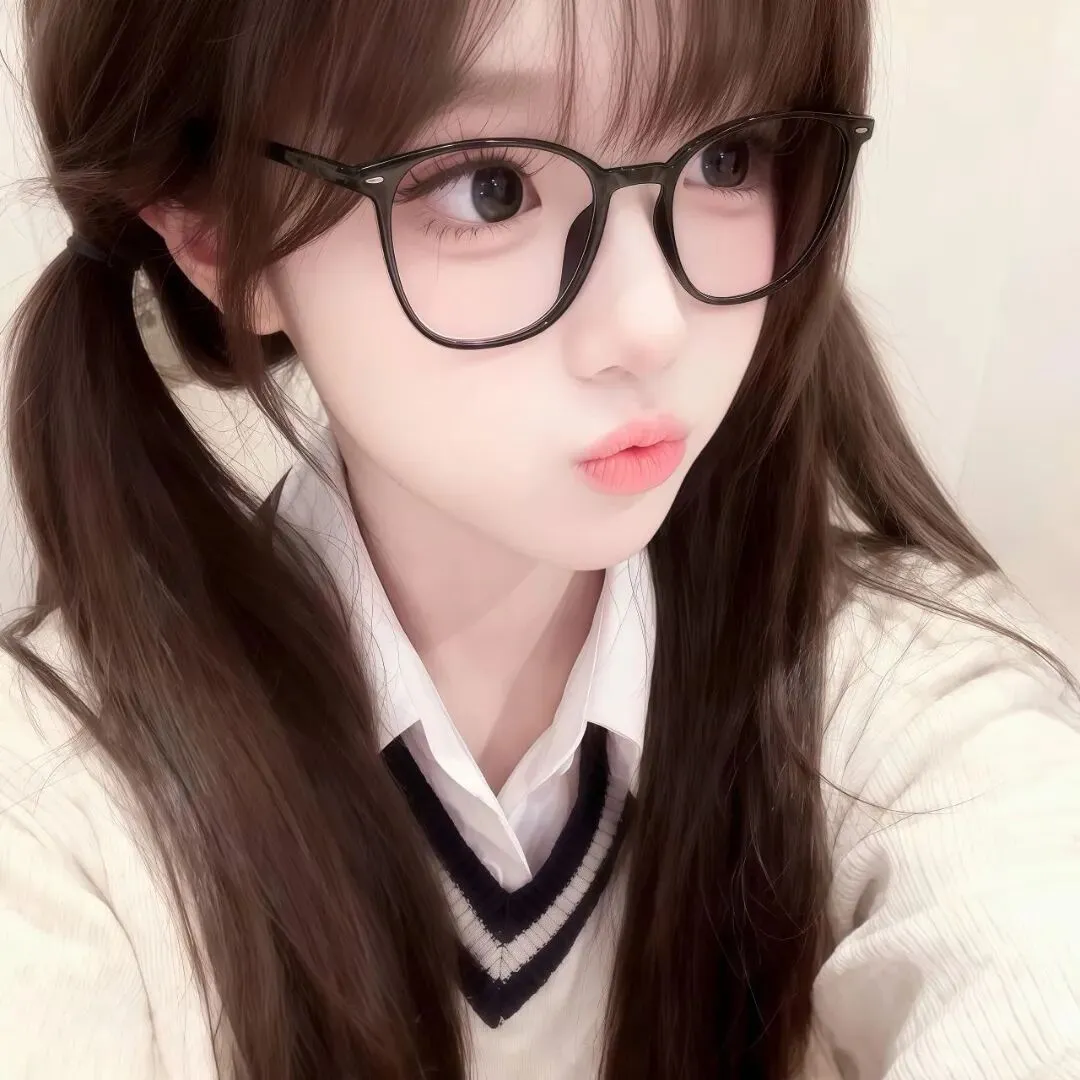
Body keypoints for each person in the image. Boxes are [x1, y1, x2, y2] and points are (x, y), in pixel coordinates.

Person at [1, 0, 1078, 1076]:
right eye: (491, 185)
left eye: (728, 155)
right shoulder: (58, 817)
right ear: (214, 230)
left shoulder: (887, 689)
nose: (651, 323)